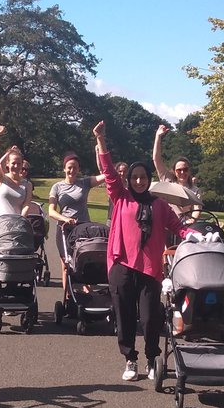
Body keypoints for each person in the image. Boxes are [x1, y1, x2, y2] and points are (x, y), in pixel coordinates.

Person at [94, 121, 182, 381]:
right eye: (135, 177)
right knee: (125, 315)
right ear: (129, 179)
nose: (140, 181)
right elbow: (109, 172)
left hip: (150, 269)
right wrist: (101, 141)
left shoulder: (160, 205)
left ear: (149, 179)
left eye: (143, 177)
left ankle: (151, 358)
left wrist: (197, 234)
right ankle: (130, 359)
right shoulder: (120, 197)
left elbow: (178, 227)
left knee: (150, 317)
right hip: (122, 265)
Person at [48, 151, 106, 288]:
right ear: (64, 168)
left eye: (75, 167)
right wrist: (65, 219)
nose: (72, 170)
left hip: (84, 229)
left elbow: (106, 175)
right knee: (66, 264)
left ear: (79, 169)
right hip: (65, 228)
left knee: (85, 262)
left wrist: (98, 152)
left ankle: (88, 292)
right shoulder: (57, 187)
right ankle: (67, 296)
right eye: (69, 167)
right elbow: (51, 211)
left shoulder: (84, 183)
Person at [152, 124, 201, 220]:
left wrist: (192, 220)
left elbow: (197, 209)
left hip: (183, 226)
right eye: (179, 170)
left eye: (185, 169)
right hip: (165, 223)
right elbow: (156, 159)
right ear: (174, 171)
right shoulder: (168, 180)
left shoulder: (195, 190)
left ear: (189, 170)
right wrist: (158, 136)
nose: (182, 172)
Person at [0, 125, 32, 216]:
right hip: (1, 224)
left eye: (19, 164)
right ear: (7, 164)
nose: (16, 166)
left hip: (18, 224)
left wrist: (20, 220)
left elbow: (26, 205)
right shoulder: (1, 178)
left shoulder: (27, 185)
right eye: (13, 163)